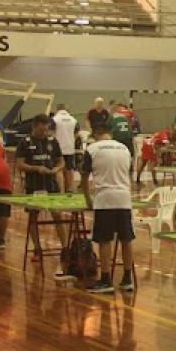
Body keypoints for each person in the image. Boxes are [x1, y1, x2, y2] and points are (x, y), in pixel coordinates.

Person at [80, 118, 135, 294]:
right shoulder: (124, 149)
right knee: (126, 239)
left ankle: (106, 279)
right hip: (124, 198)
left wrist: (88, 199)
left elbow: (83, 177)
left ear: (95, 135)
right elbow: (129, 174)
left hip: (104, 200)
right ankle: (127, 279)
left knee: (104, 240)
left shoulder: (92, 149)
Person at [15, 114, 65, 194]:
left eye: (46, 130)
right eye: (41, 130)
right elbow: (20, 164)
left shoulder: (53, 141)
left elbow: (61, 161)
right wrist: (37, 168)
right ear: (34, 127)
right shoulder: (25, 142)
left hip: (52, 186)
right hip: (33, 186)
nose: (44, 133)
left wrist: (57, 168)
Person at [52, 104, 78, 191]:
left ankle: (61, 190)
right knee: (69, 169)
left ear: (57, 109)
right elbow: (77, 132)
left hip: (58, 149)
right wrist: (71, 140)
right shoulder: (73, 119)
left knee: (58, 169)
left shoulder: (54, 119)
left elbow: (51, 133)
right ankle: (70, 189)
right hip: (70, 148)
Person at [109, 103, 136, 171]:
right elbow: (130, 125)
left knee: (116, 153)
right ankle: (130, 167)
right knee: (130, 153)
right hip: (128, 136)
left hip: (118, 137)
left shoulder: (112, 117)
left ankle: (117, 167)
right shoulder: (125, 116)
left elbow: (108, 127)